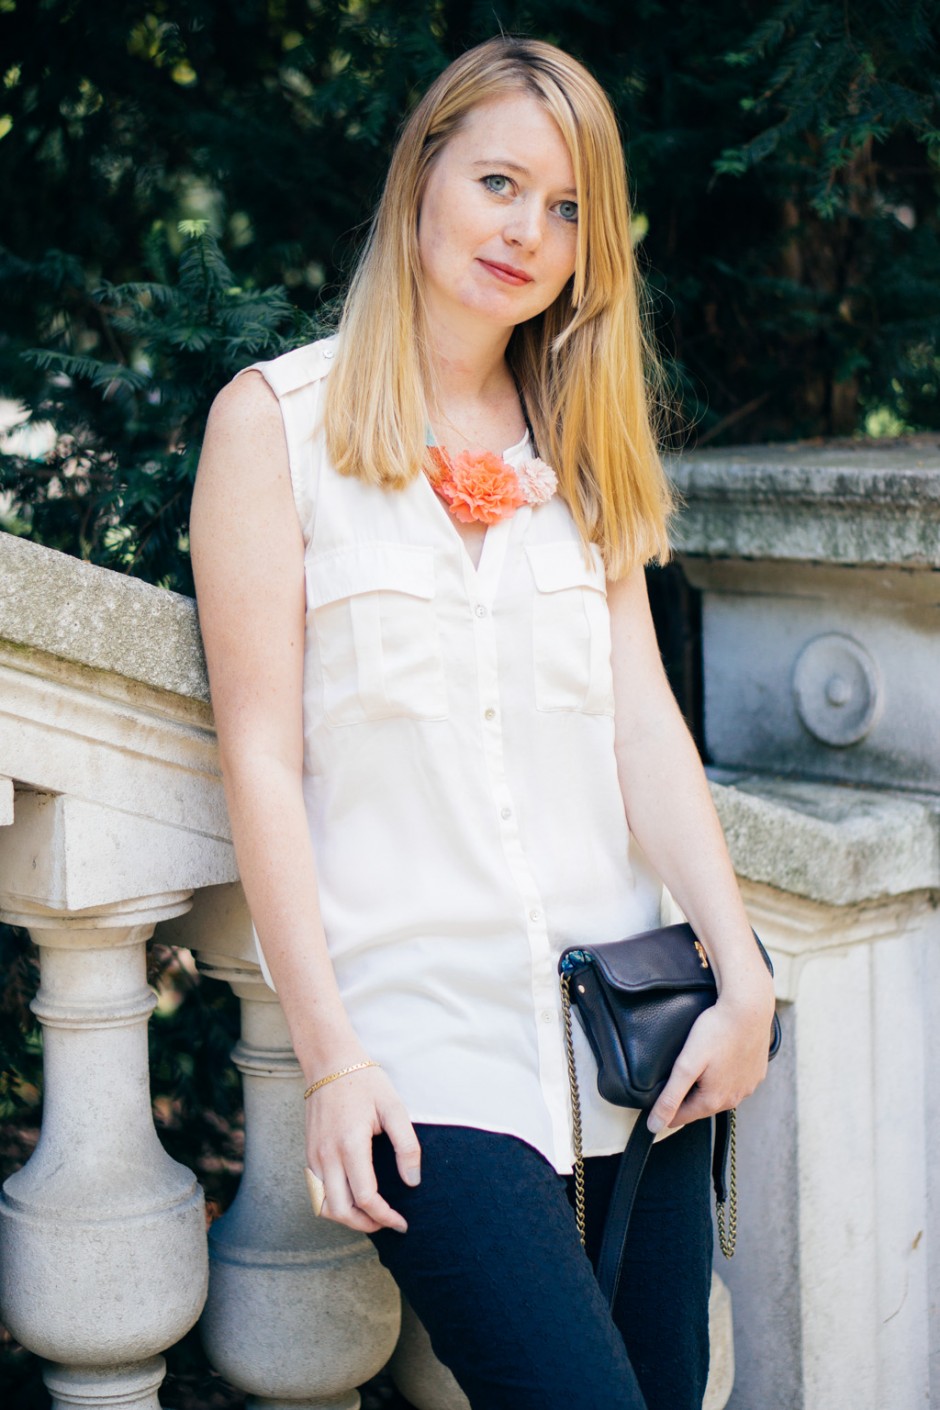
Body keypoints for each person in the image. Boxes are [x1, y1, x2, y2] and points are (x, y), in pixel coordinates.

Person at [191, 35, 776, 1410]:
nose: (527, 232)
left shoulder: (581, 444)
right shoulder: (274, 427)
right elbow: (260, 759)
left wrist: (744, 976)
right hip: (425, 1057)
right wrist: (331, 1058)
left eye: (567, 207)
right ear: (422, 179)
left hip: (633, 1044)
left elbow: (643, 726)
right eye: (499, 183)